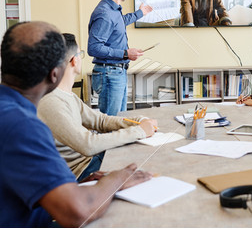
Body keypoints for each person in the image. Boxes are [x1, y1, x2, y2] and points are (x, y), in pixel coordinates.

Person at [0, 21, 152, 228]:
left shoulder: (10, 112)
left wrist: (77, 185)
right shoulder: (22, 126)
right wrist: (117, 179)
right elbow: (78, 212)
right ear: (55, 74)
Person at [38, 33, 158, 181]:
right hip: (81, 171)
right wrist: (138, 131)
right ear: (74, 60)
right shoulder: (51, 101)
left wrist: (137, 121)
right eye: (80, 54)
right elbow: (88, 144)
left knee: (138, 153)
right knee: (141, 160)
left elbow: (100, 121)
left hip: (89, 160)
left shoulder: (66, 95)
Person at [88, 0, 153, 116]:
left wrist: (140, 13)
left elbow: (120, 22)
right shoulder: (105, 13)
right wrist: (125, 53)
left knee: (120, 120)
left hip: (117, 72)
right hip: (110, 74)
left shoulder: (112, 11)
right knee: (111, 123)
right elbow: (93, 48)